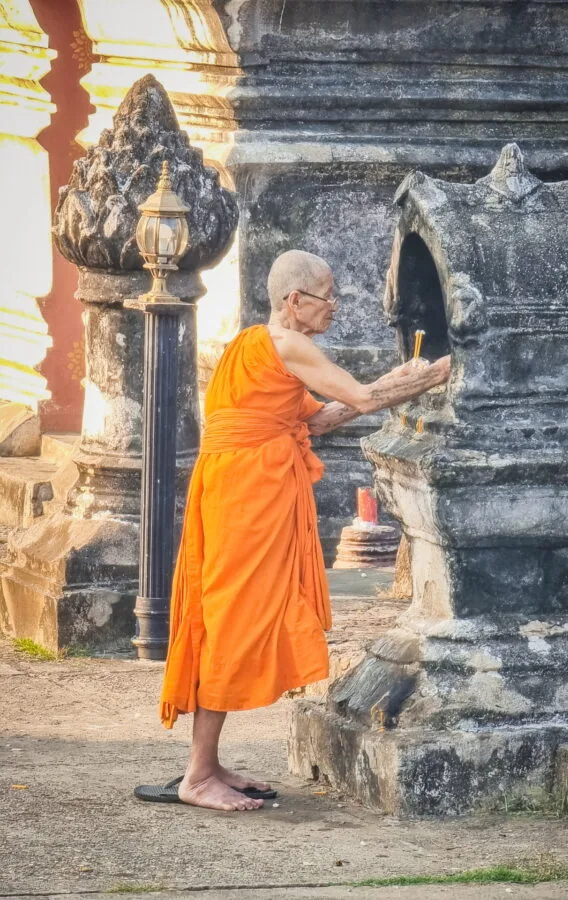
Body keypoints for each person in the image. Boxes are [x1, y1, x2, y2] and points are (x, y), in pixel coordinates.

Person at [151, 250, 450, 812]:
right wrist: (435, 375)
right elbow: (360, 399)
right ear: (295, 301)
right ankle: (196, 775)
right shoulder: (288, 344)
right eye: (327, 296)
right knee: (231, 616)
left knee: (230, 611)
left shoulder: (253, 343)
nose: (334, 307)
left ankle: (209, 762)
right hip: (245, 493)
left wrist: (395, 381)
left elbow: (318, 419)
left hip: (236, 486)